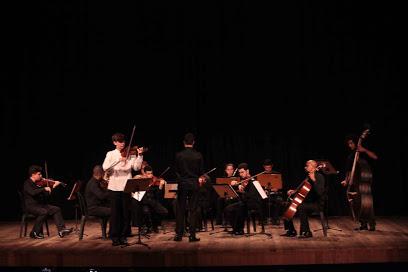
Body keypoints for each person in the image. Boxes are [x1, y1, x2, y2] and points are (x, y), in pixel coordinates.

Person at [102, 132, 144, 246]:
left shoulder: (130, 154)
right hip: (114, 187)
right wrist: (118, 160)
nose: (122, 144)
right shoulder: (111, 154)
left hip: (126, 187)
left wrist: (139, 156)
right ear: (114, 143)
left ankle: (123, 236)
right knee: (115, 214)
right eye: (120, 142)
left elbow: (136, 167)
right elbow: (105, 167)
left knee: (126, 214)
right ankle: (115, 237)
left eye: (123, 141)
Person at [23, 165, 73, 239]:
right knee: (43, 212)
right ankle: (34, 232)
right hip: (31, 206)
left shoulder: (38, 183)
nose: (41, 176)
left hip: (40, 205)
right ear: (33, 174)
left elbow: (45, 194)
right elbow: (32, 192)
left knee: (56, 209)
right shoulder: (27, 183)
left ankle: (61, 230)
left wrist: (52, 187)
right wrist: (44, 189)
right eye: (39, 174)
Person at [341, 134, 378, 231]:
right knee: (358, 204)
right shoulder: (350, 157)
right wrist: (346, 180)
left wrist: (364, 150)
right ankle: (363, 224)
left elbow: (375, 157)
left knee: (368, 204)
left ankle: (372, 224)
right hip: (356, 183)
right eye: (348, 144)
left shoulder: (363, 153)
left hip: (365, 182)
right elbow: (349, 171)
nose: (350, 145)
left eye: (351, 143)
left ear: (356, 142)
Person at [281, 160, 325, 238]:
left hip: (316, 203)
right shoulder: (308, 176)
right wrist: (294, 191)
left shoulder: (319, 176)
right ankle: (291, 230)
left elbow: (320, 192)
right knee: (286, 205)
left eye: (307, 165)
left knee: (301, 207)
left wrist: (314, 180)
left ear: (313, 167)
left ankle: (307, 232)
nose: (306, 167)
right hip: (307, 201)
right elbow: (303, 188)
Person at [173, 132, 204, 242]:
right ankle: (192, 235)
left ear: (184, 143)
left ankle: (179, 235)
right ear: (193, 143)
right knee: (193, 210)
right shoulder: (198, 155)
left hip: (182, 184)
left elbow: (176, 171)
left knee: (180, 210)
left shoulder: (179, 155)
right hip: (194, 184)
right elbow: (201, 172)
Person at [225, 163, 263, 235]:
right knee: (228, 208)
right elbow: (242, 195)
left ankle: (240, 229)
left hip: (253, 203)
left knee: (240, 207)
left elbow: (252, 196)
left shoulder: (253, 181)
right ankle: (236, 228)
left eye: (242, 172)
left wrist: (242, 191)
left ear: (247, 171)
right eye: (239, 172)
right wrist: (236, 187)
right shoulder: (243, 181)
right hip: (245, 202)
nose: (240, 174)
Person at [131, 165, 168, 233]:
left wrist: (160, 186)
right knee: (146, 211)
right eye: (148, 174)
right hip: (144, 202)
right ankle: (148, 227)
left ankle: (155, 225)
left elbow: (158, 195)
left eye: (151, 173)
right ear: (144, 173)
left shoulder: (154, 180)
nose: (151, 175)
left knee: (164, 211)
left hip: (153, 201)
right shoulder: (140, 180)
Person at [262, 159, 283, 225]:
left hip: (274, 194)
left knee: (278, 200)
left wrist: (277, 188)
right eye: (266, 167)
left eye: (269, 167)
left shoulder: (277, 174)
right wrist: (263, 190)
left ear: (272, 166)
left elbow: (281, 186)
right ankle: (263, 219)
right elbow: (259, 186)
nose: (268, 169)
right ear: (264, 167)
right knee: (260, 200)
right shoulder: (261, 175)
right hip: (265, 194)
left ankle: (275, 219)